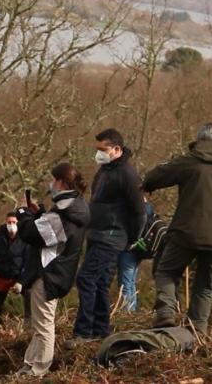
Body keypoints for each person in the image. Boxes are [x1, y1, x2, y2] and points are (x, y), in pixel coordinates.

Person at [142, 123, 212, 335]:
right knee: (205, 283)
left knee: (166, 271)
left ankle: (166, 313)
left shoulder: (189, 161)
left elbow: (157, 175)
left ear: (200, 140)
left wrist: (147, 185)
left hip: (186, 233)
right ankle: (197, 330)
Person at [69, 129, 146, 347]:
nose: (99, 154)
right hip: (97, 233)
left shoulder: (128, 175)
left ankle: (83, 332)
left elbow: (139, 212)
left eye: (103, 149)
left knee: (86, 278)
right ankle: (101, 330)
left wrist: (131, 238)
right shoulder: (104, 171)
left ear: (117, 149)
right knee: (101, 283)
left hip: (112, 236)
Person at [13, 162, 90, 377]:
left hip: (48, 274)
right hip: (58, 272)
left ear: (62, 183)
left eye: (54, 179)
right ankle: (30, 365)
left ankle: (39, 369)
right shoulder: (77, 208)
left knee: (44, 326)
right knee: (40, 325)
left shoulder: (64, 214)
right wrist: (40, 214)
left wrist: (22, 212)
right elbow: (51, 235)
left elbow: (33, 234)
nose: (51, 184)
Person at [0, 212, 30, 324]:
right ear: (5, 222)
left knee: (29, 301)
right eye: (9, 222)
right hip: (0, 276)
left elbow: (28, 261)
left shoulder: (25, 238)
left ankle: (28, 325)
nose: (11, 224)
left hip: (18, 276)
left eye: (14, 222)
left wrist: (21, 281)